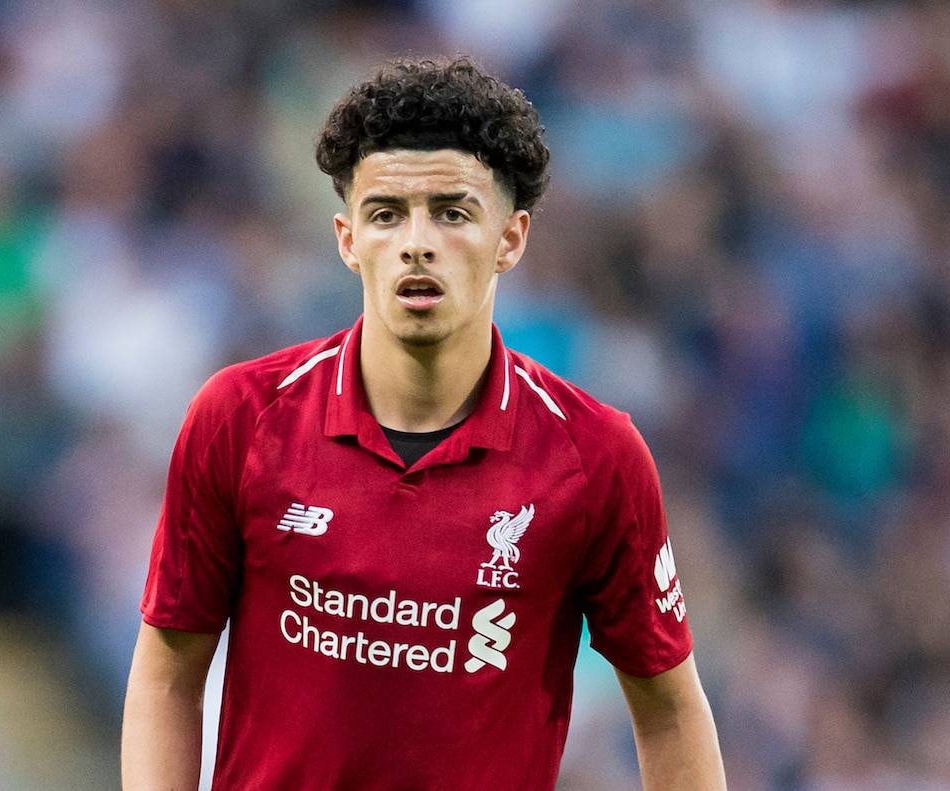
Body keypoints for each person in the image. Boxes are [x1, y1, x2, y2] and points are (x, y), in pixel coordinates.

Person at [122, 56, 726, 790]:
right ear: (347, 239)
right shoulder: (240, 418)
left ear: (511, 237)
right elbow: (167, 671)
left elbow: (668, 710)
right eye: (386, 213)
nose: (417, 240)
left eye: (452, 211)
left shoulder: (594, 456)